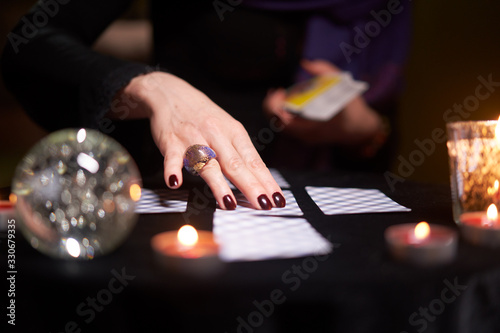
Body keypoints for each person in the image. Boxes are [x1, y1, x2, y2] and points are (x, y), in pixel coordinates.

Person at [1, 0, 412, 210]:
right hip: (180, 198)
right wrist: (152, 85)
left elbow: (384, 134)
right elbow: (28, 45)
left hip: (336, 208)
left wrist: (366, 131)